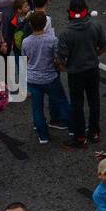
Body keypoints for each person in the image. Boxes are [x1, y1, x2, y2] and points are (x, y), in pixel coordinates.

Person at [55, 0, 106, 149]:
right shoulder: (96, 26)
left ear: (69, 12)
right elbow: (102, 48)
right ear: (86, 10)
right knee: (94, 100)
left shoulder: (66, 33)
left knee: (77, 104)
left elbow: (61, 58)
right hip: (92, 70)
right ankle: (94, 132)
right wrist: (92, 56)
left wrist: (63, 66)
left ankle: (80, 136)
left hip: (75, 73)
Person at [21, 11, 69, 143]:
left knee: (37, 107)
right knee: (62, 102)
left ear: (30, 24)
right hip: (49, 77)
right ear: (45, 24)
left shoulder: (25, 41)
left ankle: (43, 136)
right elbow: (58, 58)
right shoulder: (52, 40)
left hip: (32, 78)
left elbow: (24, 59)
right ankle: (72, 128)